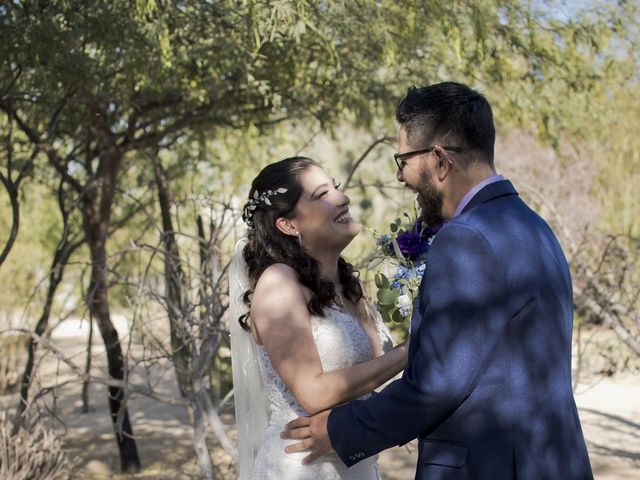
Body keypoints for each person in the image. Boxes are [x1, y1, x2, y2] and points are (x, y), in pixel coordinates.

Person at [283, 82, 593, 479]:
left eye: (403, 161)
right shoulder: (534, 228)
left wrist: (342, 429)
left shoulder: (467, 239)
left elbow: (435, 386)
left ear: (439, 161)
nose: (400, 178)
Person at [228, 156, 408, 479]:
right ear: (288, 224)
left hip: (357, 463)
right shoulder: (278, 283)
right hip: (304, 469)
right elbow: (313, 393)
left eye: (336, 188)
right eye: (323, 195)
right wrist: (413, 350)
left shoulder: (349, 286)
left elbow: (369, 385)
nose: (343, 198)